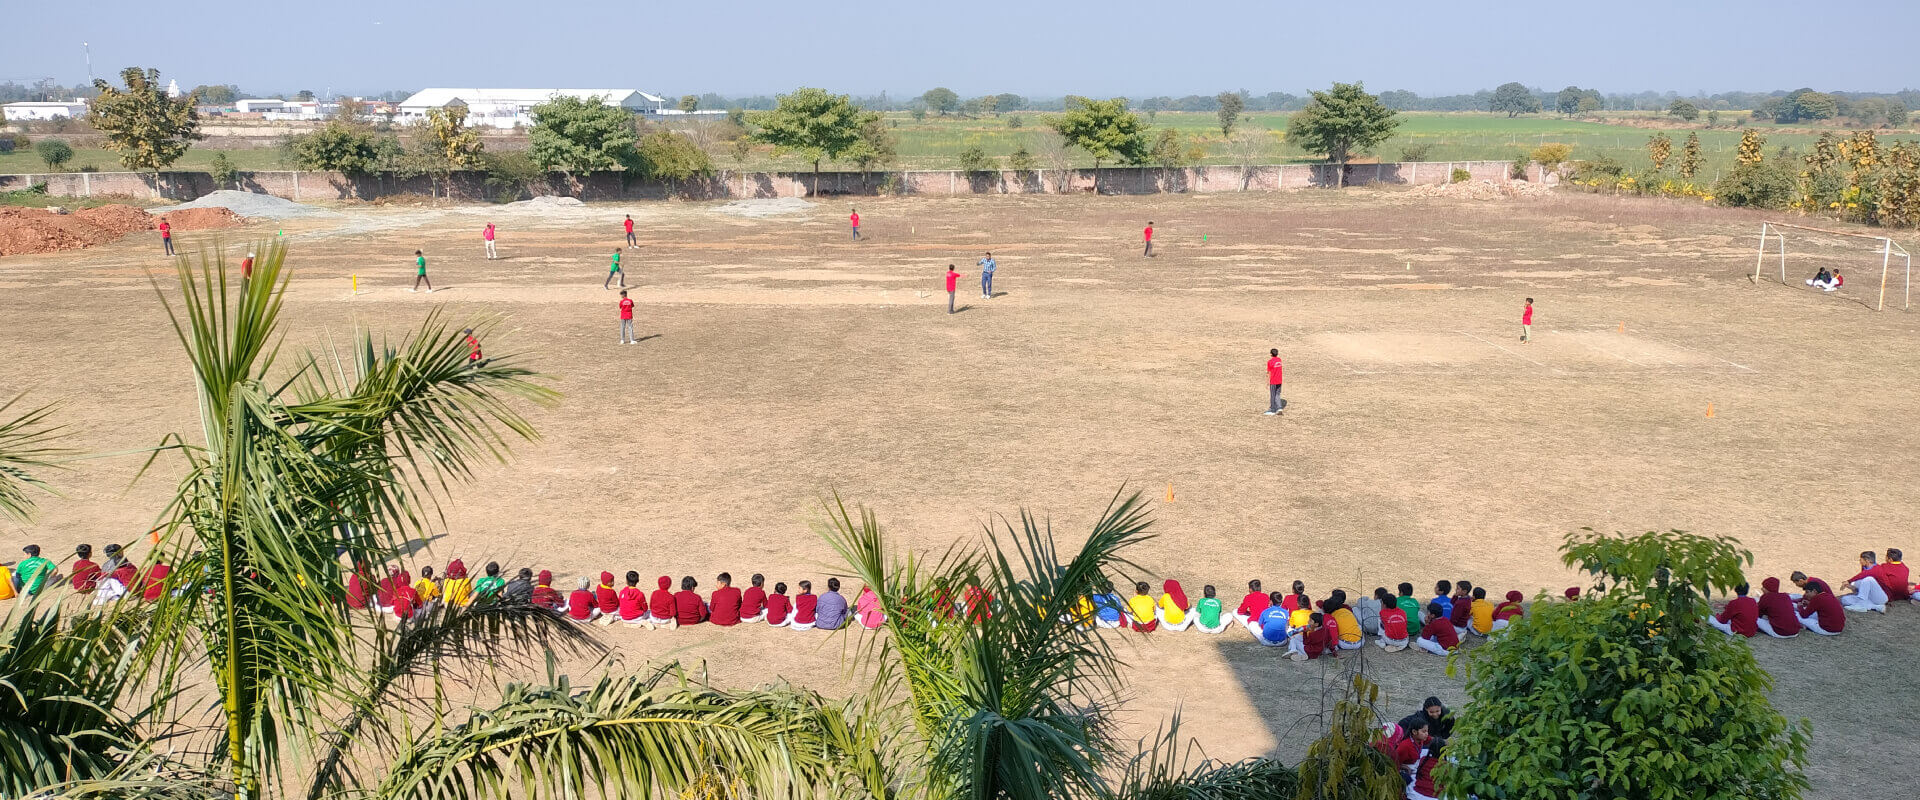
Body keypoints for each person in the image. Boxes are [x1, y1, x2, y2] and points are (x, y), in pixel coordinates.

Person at [1264, 349, 1285, 416]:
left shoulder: (1270, 362)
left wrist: (1267, 382)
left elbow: (1268, 373)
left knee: (1273, 395)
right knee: (1278, 394)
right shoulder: (1279, 360)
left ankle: (1272, 409)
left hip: (1273, 381)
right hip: (1279, 380)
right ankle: (1279, 408)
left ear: (1271, 354)